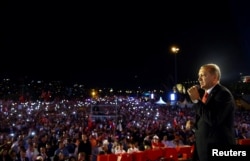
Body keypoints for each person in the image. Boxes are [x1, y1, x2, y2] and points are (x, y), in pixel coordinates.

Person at [187, 63, 236, 161]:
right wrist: (195, 125)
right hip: (203, 149)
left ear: (214, 77)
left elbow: (214, 120)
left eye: (203, 75)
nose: (199, 79)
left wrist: (196, 101)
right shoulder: (206, 95)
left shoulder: (223, 94)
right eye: (199, 76)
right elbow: (207, 120)